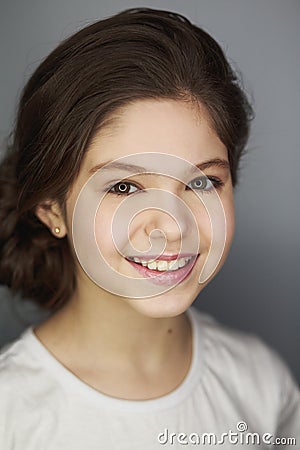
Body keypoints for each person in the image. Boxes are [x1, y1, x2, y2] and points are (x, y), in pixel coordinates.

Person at [0, 7, 299, 449]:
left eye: (202, 182)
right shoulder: (13, 414)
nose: (173, 227)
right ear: (51, 209)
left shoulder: (260, 382)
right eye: (124, 186)